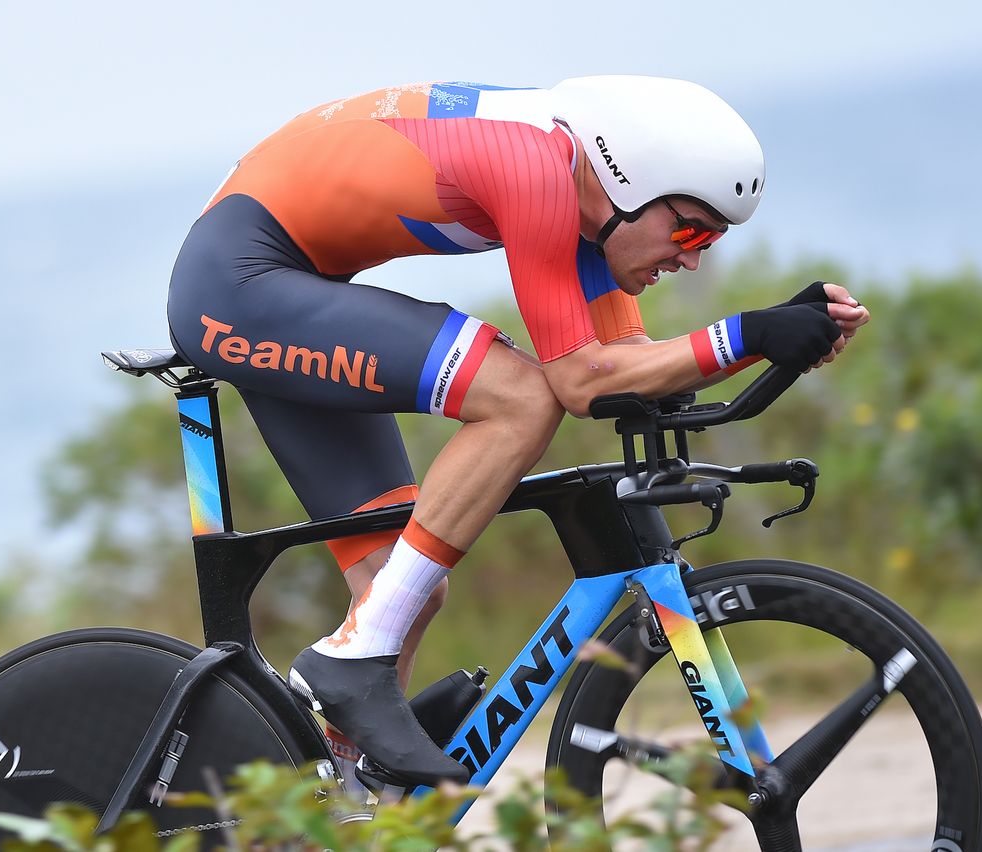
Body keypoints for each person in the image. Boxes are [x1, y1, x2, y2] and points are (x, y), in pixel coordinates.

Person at [166, 76, 870, 787]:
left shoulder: (592, 202)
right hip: (238, 287)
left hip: (286, 287)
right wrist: (747, 331)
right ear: (632, 183)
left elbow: (627, 372)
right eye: (689, 230)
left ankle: (343, 802)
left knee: (399, 586)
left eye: (711, 241)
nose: (692, 258)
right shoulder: (537, 170)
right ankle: (353, 657)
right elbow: (577, 384)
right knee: (522, 398)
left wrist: (771, 337)